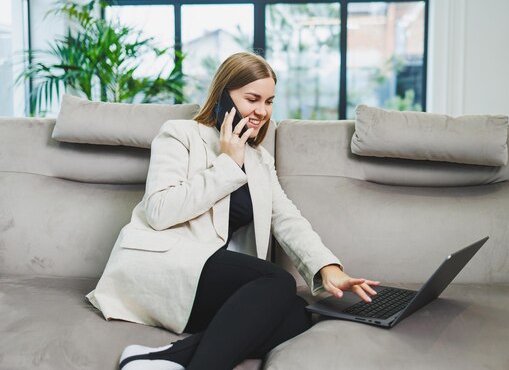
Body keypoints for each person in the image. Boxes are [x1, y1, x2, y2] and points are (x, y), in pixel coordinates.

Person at [87, 52, 379, 370]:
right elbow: (159, 211)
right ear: (224, 95)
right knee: (278, 282)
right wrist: (227, 163)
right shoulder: (179, 134)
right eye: (252, 98)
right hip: (163, 267)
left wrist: (328, 268)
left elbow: (286, 218)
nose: (261, 111)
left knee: (297, 313)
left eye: (268, 102)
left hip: (206, 282)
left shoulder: (259, 160)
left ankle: (159, 359)